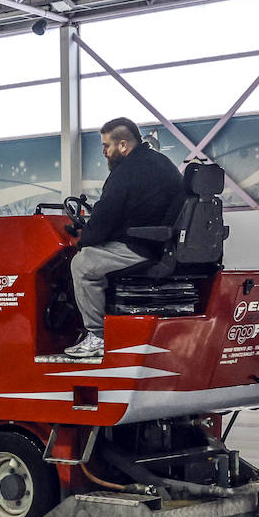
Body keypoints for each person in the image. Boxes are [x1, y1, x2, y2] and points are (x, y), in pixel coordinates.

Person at [63, 117, 183, 361]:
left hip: (142, 246)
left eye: (106, 146)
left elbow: (105, 216)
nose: (104, 153)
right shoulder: (163, 163)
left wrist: (84, 240)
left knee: (82, 264)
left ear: (123, 145)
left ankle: (97, 335)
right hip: (162, 244)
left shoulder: (126, 172)